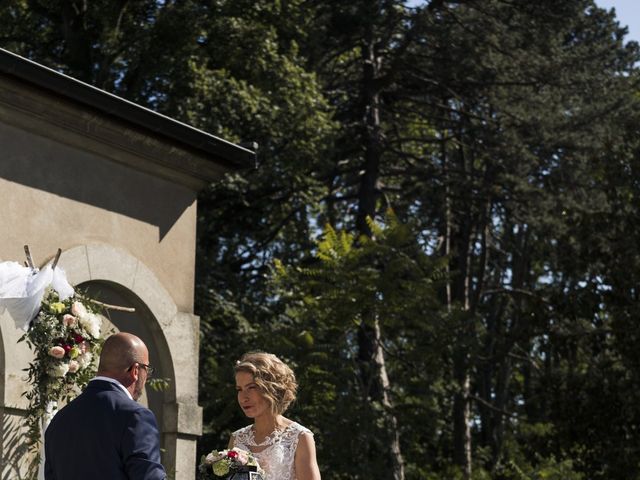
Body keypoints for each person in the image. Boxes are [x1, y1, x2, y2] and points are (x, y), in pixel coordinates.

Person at [44, 332, 166, 480]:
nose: (147, 377)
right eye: (147, 370)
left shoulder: (60, 420)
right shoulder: (135, 417)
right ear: (135, 370)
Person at [229, 352, 321, 480]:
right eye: (239, 389)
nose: (243, 397)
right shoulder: (237, 439)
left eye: (251, 387)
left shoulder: (300, 437)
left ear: (271, 389)